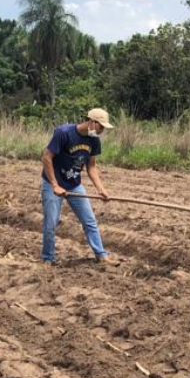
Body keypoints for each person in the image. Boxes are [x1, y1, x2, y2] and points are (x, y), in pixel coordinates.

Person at [40, 108, 118, 266]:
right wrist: (55, 185)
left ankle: (101, 256)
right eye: (101, 127)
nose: (102, 131)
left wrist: (100, 189)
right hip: (52, 183)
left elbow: (91, 167)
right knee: (51, 224)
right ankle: (48, 258)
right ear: (91, 122)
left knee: (89, 221)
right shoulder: (63, 133)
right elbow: (46, 158)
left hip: (74, 185)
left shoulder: (94, 140)